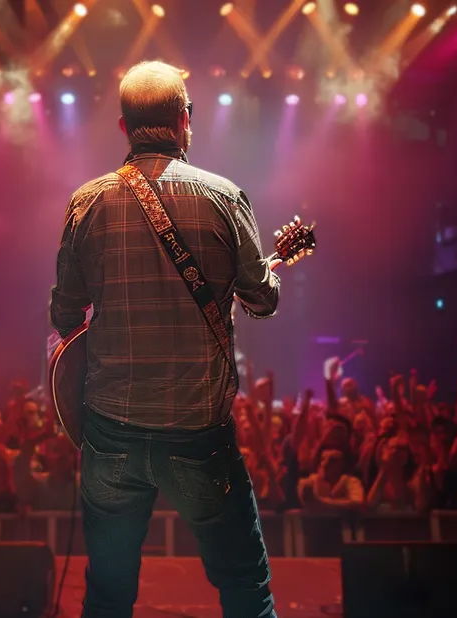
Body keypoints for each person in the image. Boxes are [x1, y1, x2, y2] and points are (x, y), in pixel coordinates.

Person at [50, 60, 281, 618]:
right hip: (196, 435)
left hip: (109, 435)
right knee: (244, 587)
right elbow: (262, 301)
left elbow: (64, 314)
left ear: (125, 127)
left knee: (107, 595)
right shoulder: (225, 198)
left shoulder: (87, 202)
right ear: (185, 120)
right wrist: (263, 275)